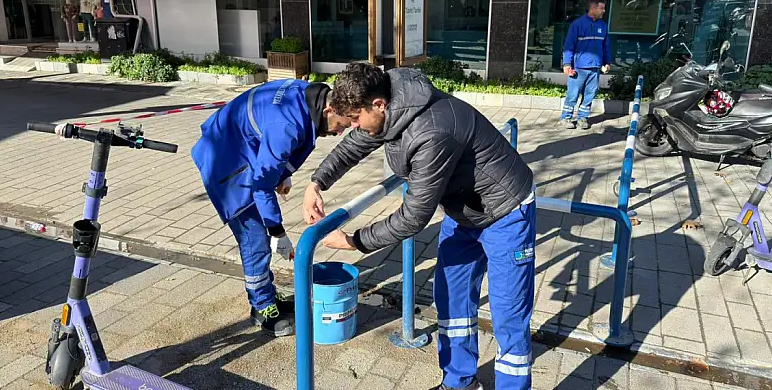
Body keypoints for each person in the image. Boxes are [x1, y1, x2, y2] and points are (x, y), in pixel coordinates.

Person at [302, 63, 537, 390]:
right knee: (452, 299)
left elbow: (413, 217)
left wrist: (355, 241)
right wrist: (316, 183)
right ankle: (459, 382)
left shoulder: (431, 132)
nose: (353, 126)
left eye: (356, 118)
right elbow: (356, 143)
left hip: (506, 211)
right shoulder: (388, 107)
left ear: (378, 105)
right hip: (464, 210)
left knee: (508, 315)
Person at [191, 78, 350, 337]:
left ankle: (268, 295)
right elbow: (261, 186)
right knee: (256, 241)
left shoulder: (306, 95)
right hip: (227, 164)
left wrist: (282, 174)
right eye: (340, 126)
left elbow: (275, 148)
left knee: (259, 237)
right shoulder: (287, 125)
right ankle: (263, 308)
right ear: (328, 110)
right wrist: (278, 232)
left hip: (239, 147)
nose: (339, 132)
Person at [560, 0, 612, 130]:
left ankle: (583, 118)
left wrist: (607, 62)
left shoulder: (603, 26)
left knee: (590, 94)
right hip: (579, 68)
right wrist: (567, 64)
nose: (604, 11)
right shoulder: (577, 24)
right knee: (573, 94)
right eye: (601, 8)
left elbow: (605, 46)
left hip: (595, 68)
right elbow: (568, 45)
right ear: (593, 8)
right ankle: (565, 118)